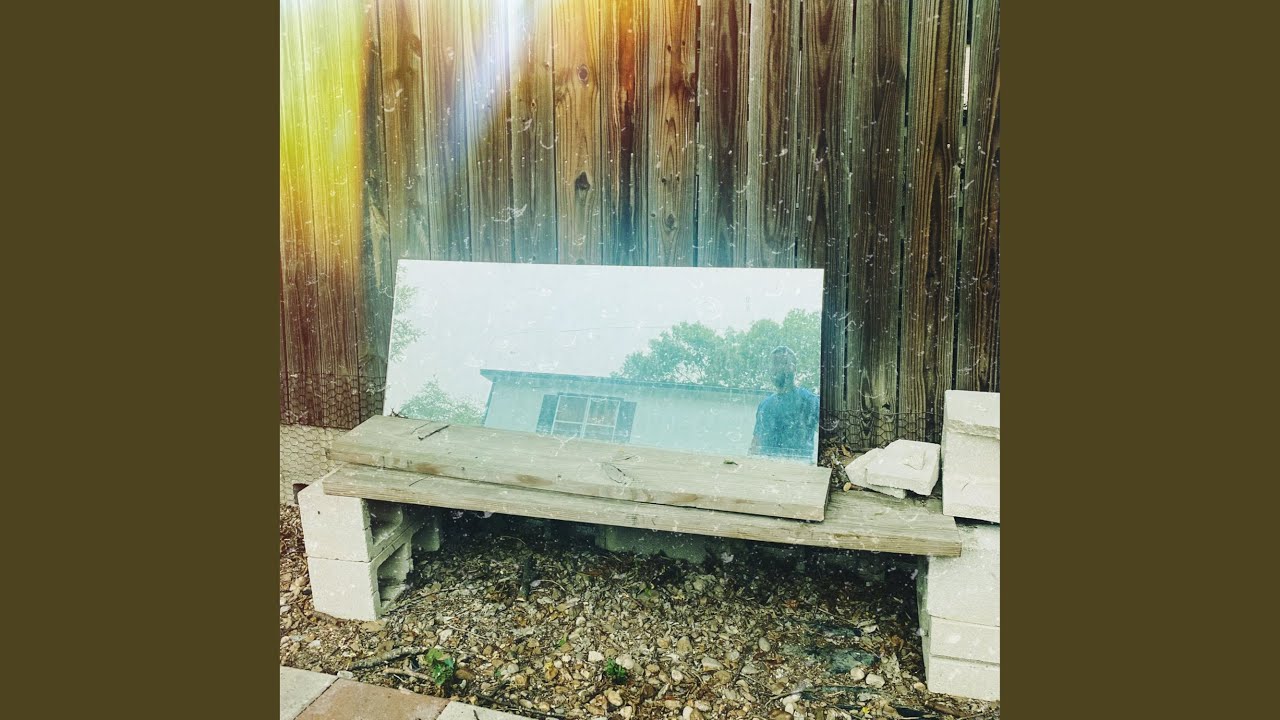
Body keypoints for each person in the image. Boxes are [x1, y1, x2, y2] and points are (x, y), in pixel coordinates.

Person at [749, 346, 819, 460]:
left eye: (782, 363)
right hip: (765, 467)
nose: (775, 368)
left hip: (797, 468)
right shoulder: (765, 405)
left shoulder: (809, 401)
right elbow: (755, 444)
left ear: (793, 368)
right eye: (773, 364)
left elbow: (828, 438)